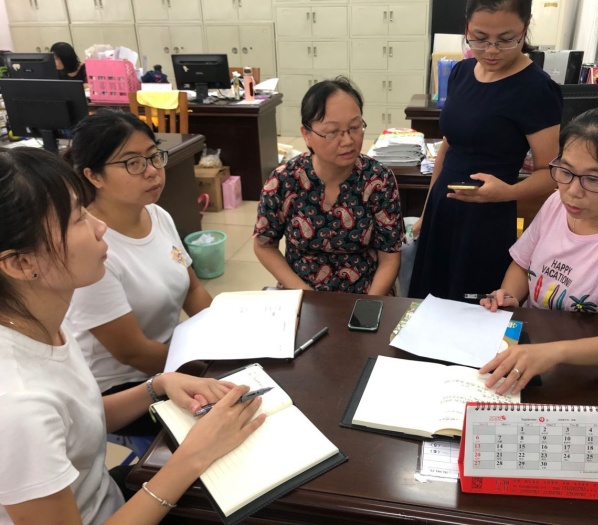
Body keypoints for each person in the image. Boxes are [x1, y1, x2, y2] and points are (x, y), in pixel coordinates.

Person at [0, 146, 265, 524]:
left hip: (108, 499)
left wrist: (157, 386)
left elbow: (79, 421)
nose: (99, 227)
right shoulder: (16, 404)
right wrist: (194, 455)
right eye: (77, 219)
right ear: (21, 263)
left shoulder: (41, 324)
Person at [479, 107, 598, 395]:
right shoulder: (556, 204)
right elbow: (522, 263)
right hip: (530, 356)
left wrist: (556, 352)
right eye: (566, 172)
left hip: (588, 375)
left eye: (593, 179)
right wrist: (509, 296)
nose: (572, 191)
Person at [64, 109, 213, 435]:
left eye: (153, 156)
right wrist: (207, 369)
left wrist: (226, 334)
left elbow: (193, 290)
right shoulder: (93, 248)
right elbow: (132, 352)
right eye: (133, 163)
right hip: (124, 388)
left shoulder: (157, 215)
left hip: (172, 358)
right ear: (94, 176)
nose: (152, 171)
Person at [408, 0, 562, 301]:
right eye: (479, 38)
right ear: (467, 27)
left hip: (485, 220)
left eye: (506, 40)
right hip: (443, 208)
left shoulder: (536, 89)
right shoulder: (462, 72)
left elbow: (551, 173)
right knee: (428, 303)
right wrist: (426, 212)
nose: (491, 50)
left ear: (525, 28)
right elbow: (448, 148)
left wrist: (505, 193)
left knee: (473, 307)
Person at [254, 76, 404, 295]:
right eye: (333, 131)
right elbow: (264, 245)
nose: (348, 141)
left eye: (355, 127)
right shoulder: (283, 181)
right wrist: (305, 294)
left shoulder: (378, 180)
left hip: (366, 293)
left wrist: (367, 306)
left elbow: (390, 257)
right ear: (306, 135)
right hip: (301, 293)